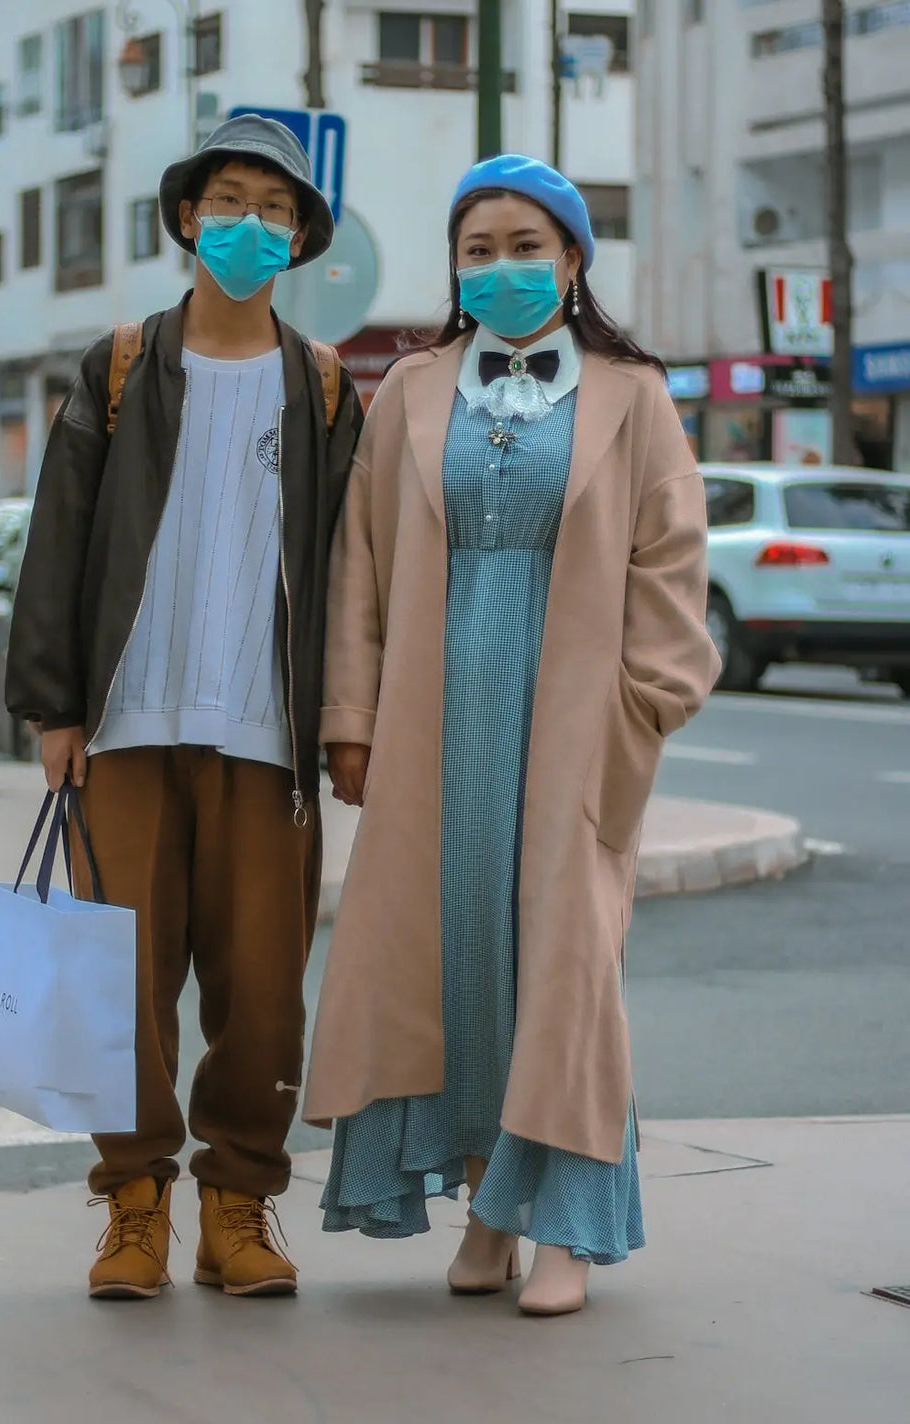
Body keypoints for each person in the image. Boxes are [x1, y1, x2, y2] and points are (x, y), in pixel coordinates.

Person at [303, 155, 720, 1316]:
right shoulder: (414, 390)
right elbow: (361, 571)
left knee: (565, 967)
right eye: (476, 250)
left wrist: (640, 707)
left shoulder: (632, 396)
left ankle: (566, 1231)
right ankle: (485, 1205)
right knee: (453, 961)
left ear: (573, 259)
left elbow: (672, 574)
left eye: (525, 246)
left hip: (577, 728)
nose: (500, 268)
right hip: (433, 727)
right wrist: (351, 721)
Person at [6, 115, 362, 1302]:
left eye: (273, 207)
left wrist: (345, 712)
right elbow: (57, 538)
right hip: (125, 726)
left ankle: (238, 1201)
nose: (247, 225)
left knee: (261, 984)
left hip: (268, 739)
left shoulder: (319, 386)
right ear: (183, 220)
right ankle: (133, 1205)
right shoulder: (119, 365)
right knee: (128, 980)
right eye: (227, 200)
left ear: (301, 235)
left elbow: (350, 566)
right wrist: (52, 707)